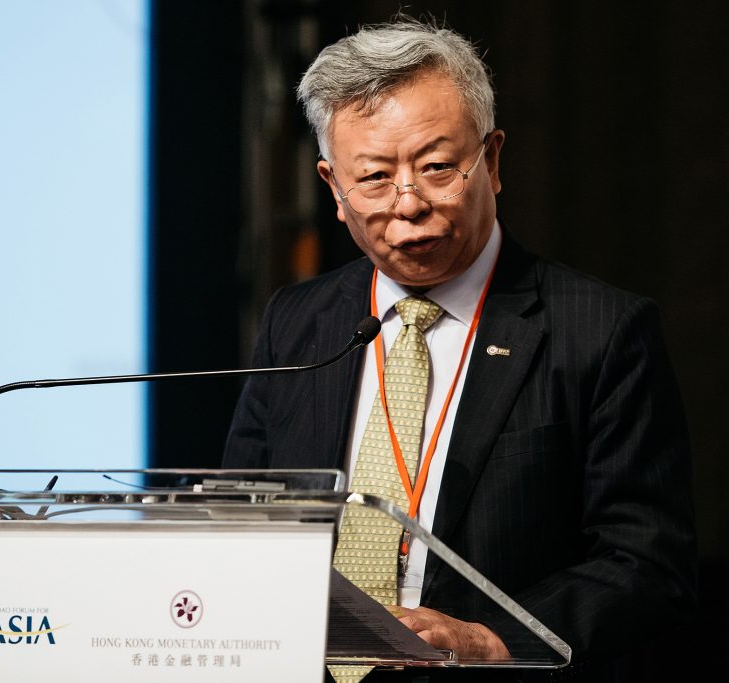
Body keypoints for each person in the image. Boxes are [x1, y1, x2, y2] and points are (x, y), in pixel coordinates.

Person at [222, 17, 696, 682]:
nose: (408, 203)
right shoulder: (298, 320)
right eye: (376, 177)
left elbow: (647, 562)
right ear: (332, 187)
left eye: (438, 166)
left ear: (493, 160)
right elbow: (241, 520)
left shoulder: (600, 330)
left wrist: (491, 641)